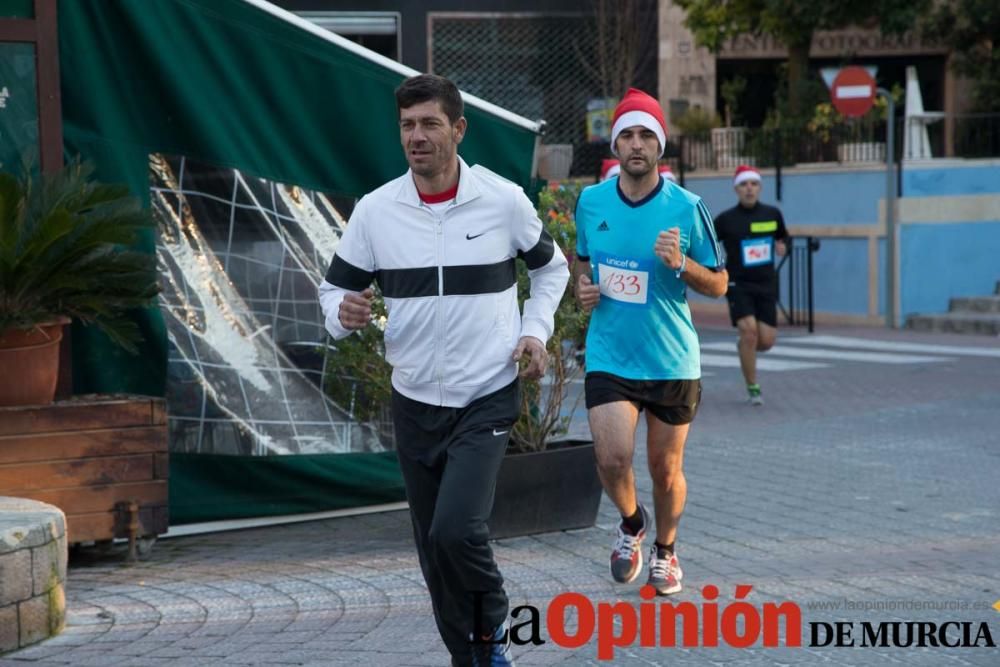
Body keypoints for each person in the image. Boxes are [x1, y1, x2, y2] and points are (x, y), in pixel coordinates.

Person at [318, 74, 569, 666]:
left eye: (430, 123)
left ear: (458, 129)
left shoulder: (502, 200)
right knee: (433, 553)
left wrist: (534, 333)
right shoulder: (377, 211)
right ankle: (473, 656)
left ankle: (494, 622)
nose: (417, 136)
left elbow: (552, 270)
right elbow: (333, 291)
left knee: (456, 530)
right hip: (413, 402)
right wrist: (343, 312)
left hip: (486, 392)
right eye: (407, 125)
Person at [574, 88, 728, 596]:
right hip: (609, 353)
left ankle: (666, 549)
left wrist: (681, 264)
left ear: (659, 145)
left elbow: (721, 284)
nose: (636, 144)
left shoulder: (687, 208)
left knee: (666, 469)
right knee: (612, 459)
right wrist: (583, 290)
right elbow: (582, 262)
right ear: (614, 144)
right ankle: (631, 523)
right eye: (627, 135)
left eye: (646, 135)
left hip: (670, 359)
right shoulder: (591, 201)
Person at [712, 165, 789, 406]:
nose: (749, 189)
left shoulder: (772, 214)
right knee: (749, 331)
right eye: (744, 184)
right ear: (736, 188)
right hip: (738, 283)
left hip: (766, 283)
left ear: (759, 187)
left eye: (753, 184)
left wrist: (782, 245)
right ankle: (753, 387)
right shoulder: (726, 219)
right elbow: (708, 243)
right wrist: (715, 267)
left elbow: (783, 236)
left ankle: (744, 347)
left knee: (765, 341)